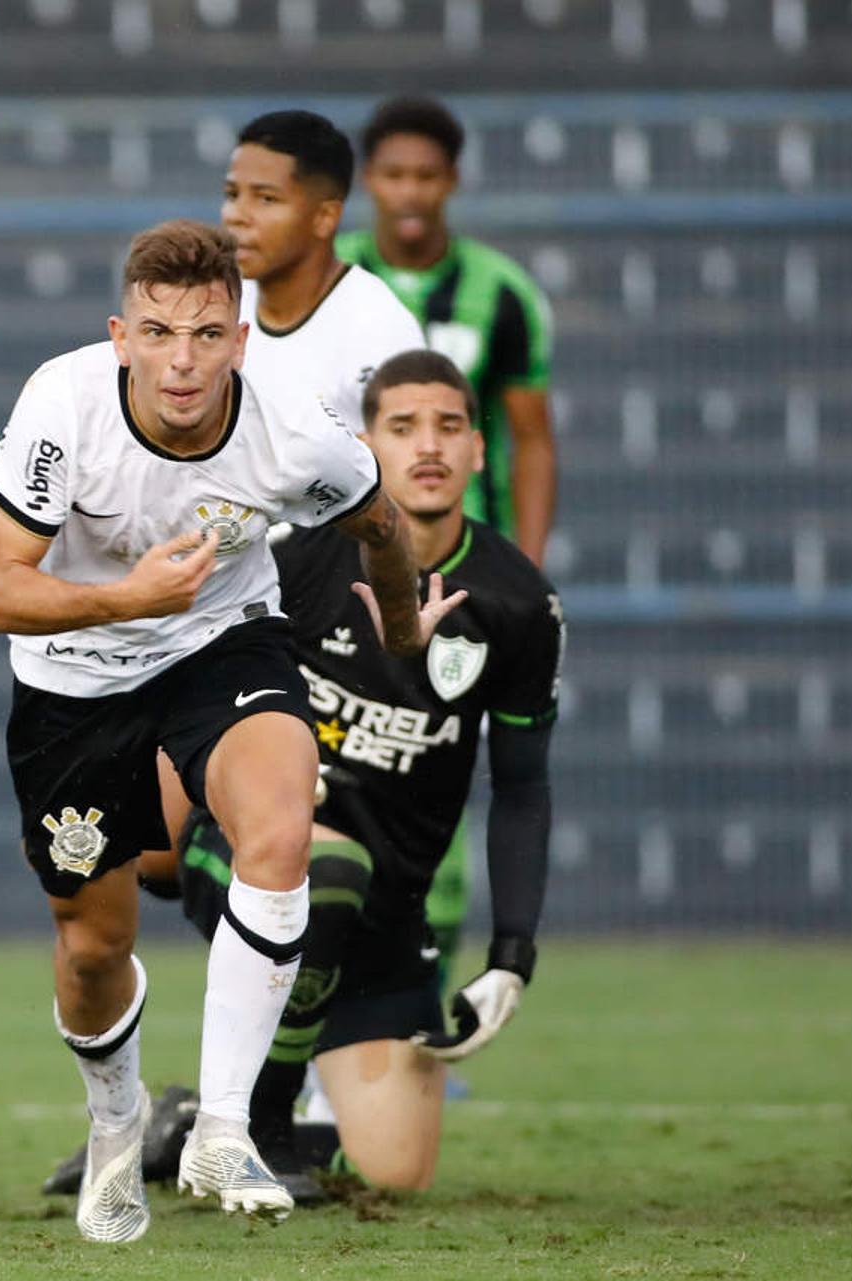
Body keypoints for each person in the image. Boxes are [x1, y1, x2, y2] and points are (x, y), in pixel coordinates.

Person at [0, 219, 463, 1242]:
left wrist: (408, 629)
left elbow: (378, 528)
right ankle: (117, 1122)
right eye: (158, 334)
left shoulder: (300, 434)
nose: (181, 361)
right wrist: (127, 598)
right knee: (94, 944)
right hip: (75, 678)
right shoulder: (61, 406)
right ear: (122, 337)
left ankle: (226, 1128)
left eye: (205, 335)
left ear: (241, 340)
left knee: (281, 835)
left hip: (221, 645)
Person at [115, 350, 562, 1197]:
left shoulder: (519, 605)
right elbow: (186, 678)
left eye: (449, 426)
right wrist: (162, 834)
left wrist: (511, 955)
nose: (427, 445)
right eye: (402, 427)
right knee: (329, 863)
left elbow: (524, 788)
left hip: (389, 918)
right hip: (263, 858)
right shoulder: (302, 557)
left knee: (395, 1172)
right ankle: (261, 1127)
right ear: (366, 446)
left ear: (477, 449)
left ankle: (181, 1127)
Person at [336, 94, 559, 994]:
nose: (410, 192)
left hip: (461, 573)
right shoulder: (330, 280)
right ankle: (313, 1019)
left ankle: (418, 997)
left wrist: (524, 567)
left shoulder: (501, 294)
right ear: (369, 184)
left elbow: (531, 438)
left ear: (453, 181)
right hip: (345, 559)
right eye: (393, 174)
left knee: (443, 780)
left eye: (427, 174)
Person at [220, 109, 426, 433]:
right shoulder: (218, 306)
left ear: (325, 217)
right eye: (232, 195)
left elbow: (406, 471)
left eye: (266, 199)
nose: (236, 215)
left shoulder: (380, 330)